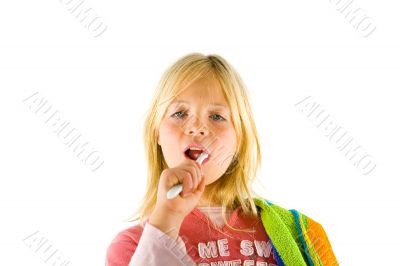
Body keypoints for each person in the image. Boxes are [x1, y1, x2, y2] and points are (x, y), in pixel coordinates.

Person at [105, 53, 338, 266]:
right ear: (157, 132)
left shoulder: (304, 238)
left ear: (240, 139)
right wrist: (165, 222)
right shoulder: (131, 247)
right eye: (179, 113)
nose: (197, 127)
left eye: (217, 116)